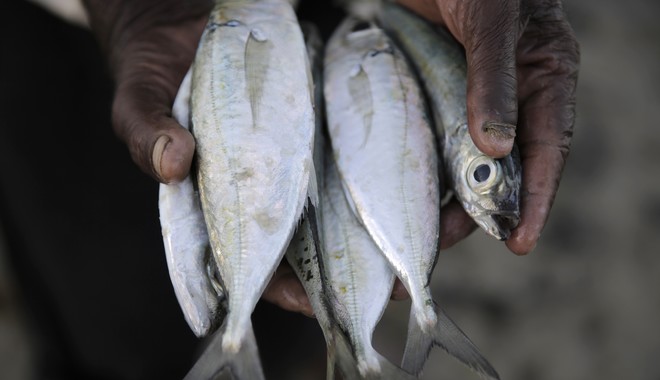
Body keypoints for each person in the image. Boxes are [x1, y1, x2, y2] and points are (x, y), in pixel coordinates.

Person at [0, 0, 578, 378]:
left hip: (322, 18)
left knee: (287, 271)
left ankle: (287, 341)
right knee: (107, 310)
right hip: (102, 27)